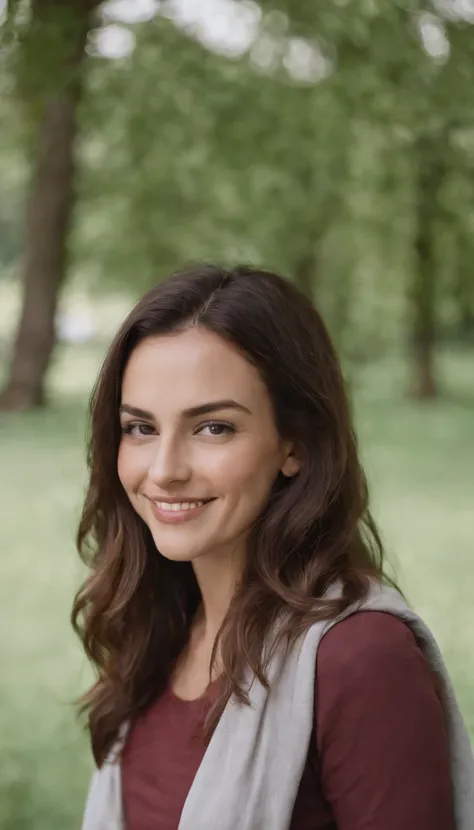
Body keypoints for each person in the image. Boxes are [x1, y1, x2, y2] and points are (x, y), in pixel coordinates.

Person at [73, 264, 474, 830]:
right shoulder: (156, 627)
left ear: (295, 445)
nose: (164, 471)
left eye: (213, 427)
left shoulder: (360, 660)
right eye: (141, 428)